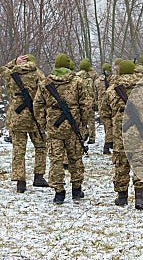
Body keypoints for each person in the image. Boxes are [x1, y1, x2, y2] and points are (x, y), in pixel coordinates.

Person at [34, 53, 92, 204]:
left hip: (54, 129)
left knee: (56, 160)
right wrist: (82, 123)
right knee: (75, 159)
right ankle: (76, 190)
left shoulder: (44, 83)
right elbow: (86, 105)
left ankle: (59, 192)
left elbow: (38, 105)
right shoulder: (78, 82)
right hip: (73, 128)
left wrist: (43, 122)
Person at [101, 60, 143, 209]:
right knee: (140, 165)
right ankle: (140, 199)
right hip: (140, 135)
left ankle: (121, 197)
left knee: (121, 166)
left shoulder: (111, 90)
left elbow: (104, 114)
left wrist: (112, 129)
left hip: (120, 136)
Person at [7, 54, 49, 192]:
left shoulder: (12, 72)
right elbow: (45, 93)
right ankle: (38, 176)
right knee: (41, 146)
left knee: (19, 150)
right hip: (34, 117)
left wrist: (14, 61)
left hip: (17, 117)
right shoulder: (38, 74)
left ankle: (20, 182)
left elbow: (2, 69)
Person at [95, 63, 113, 154]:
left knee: (108, 126)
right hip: (109, 106)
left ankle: (109, 144)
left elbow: (95, 95)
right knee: (110, 126)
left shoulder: (98, 81)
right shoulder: (114, 80)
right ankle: (107, 145)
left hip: (104, 107)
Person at [77, 58, 96, 144]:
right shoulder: (91, 77)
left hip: (80, 101)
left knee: (81, 119)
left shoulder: (76, 77)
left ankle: (84, 133)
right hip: (89, 101)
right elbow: (92, 91)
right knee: (91, 119)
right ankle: (92, 137)